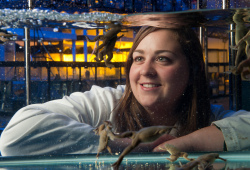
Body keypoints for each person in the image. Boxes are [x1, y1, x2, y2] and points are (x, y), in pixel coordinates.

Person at [0, 26, 250, 156]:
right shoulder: (106, 102)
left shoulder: (211, 117)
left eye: (162, 59)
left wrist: (183, 145)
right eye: (139, 58)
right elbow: (14, 137)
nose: (146, 71)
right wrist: (129, 145)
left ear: (192, 70)